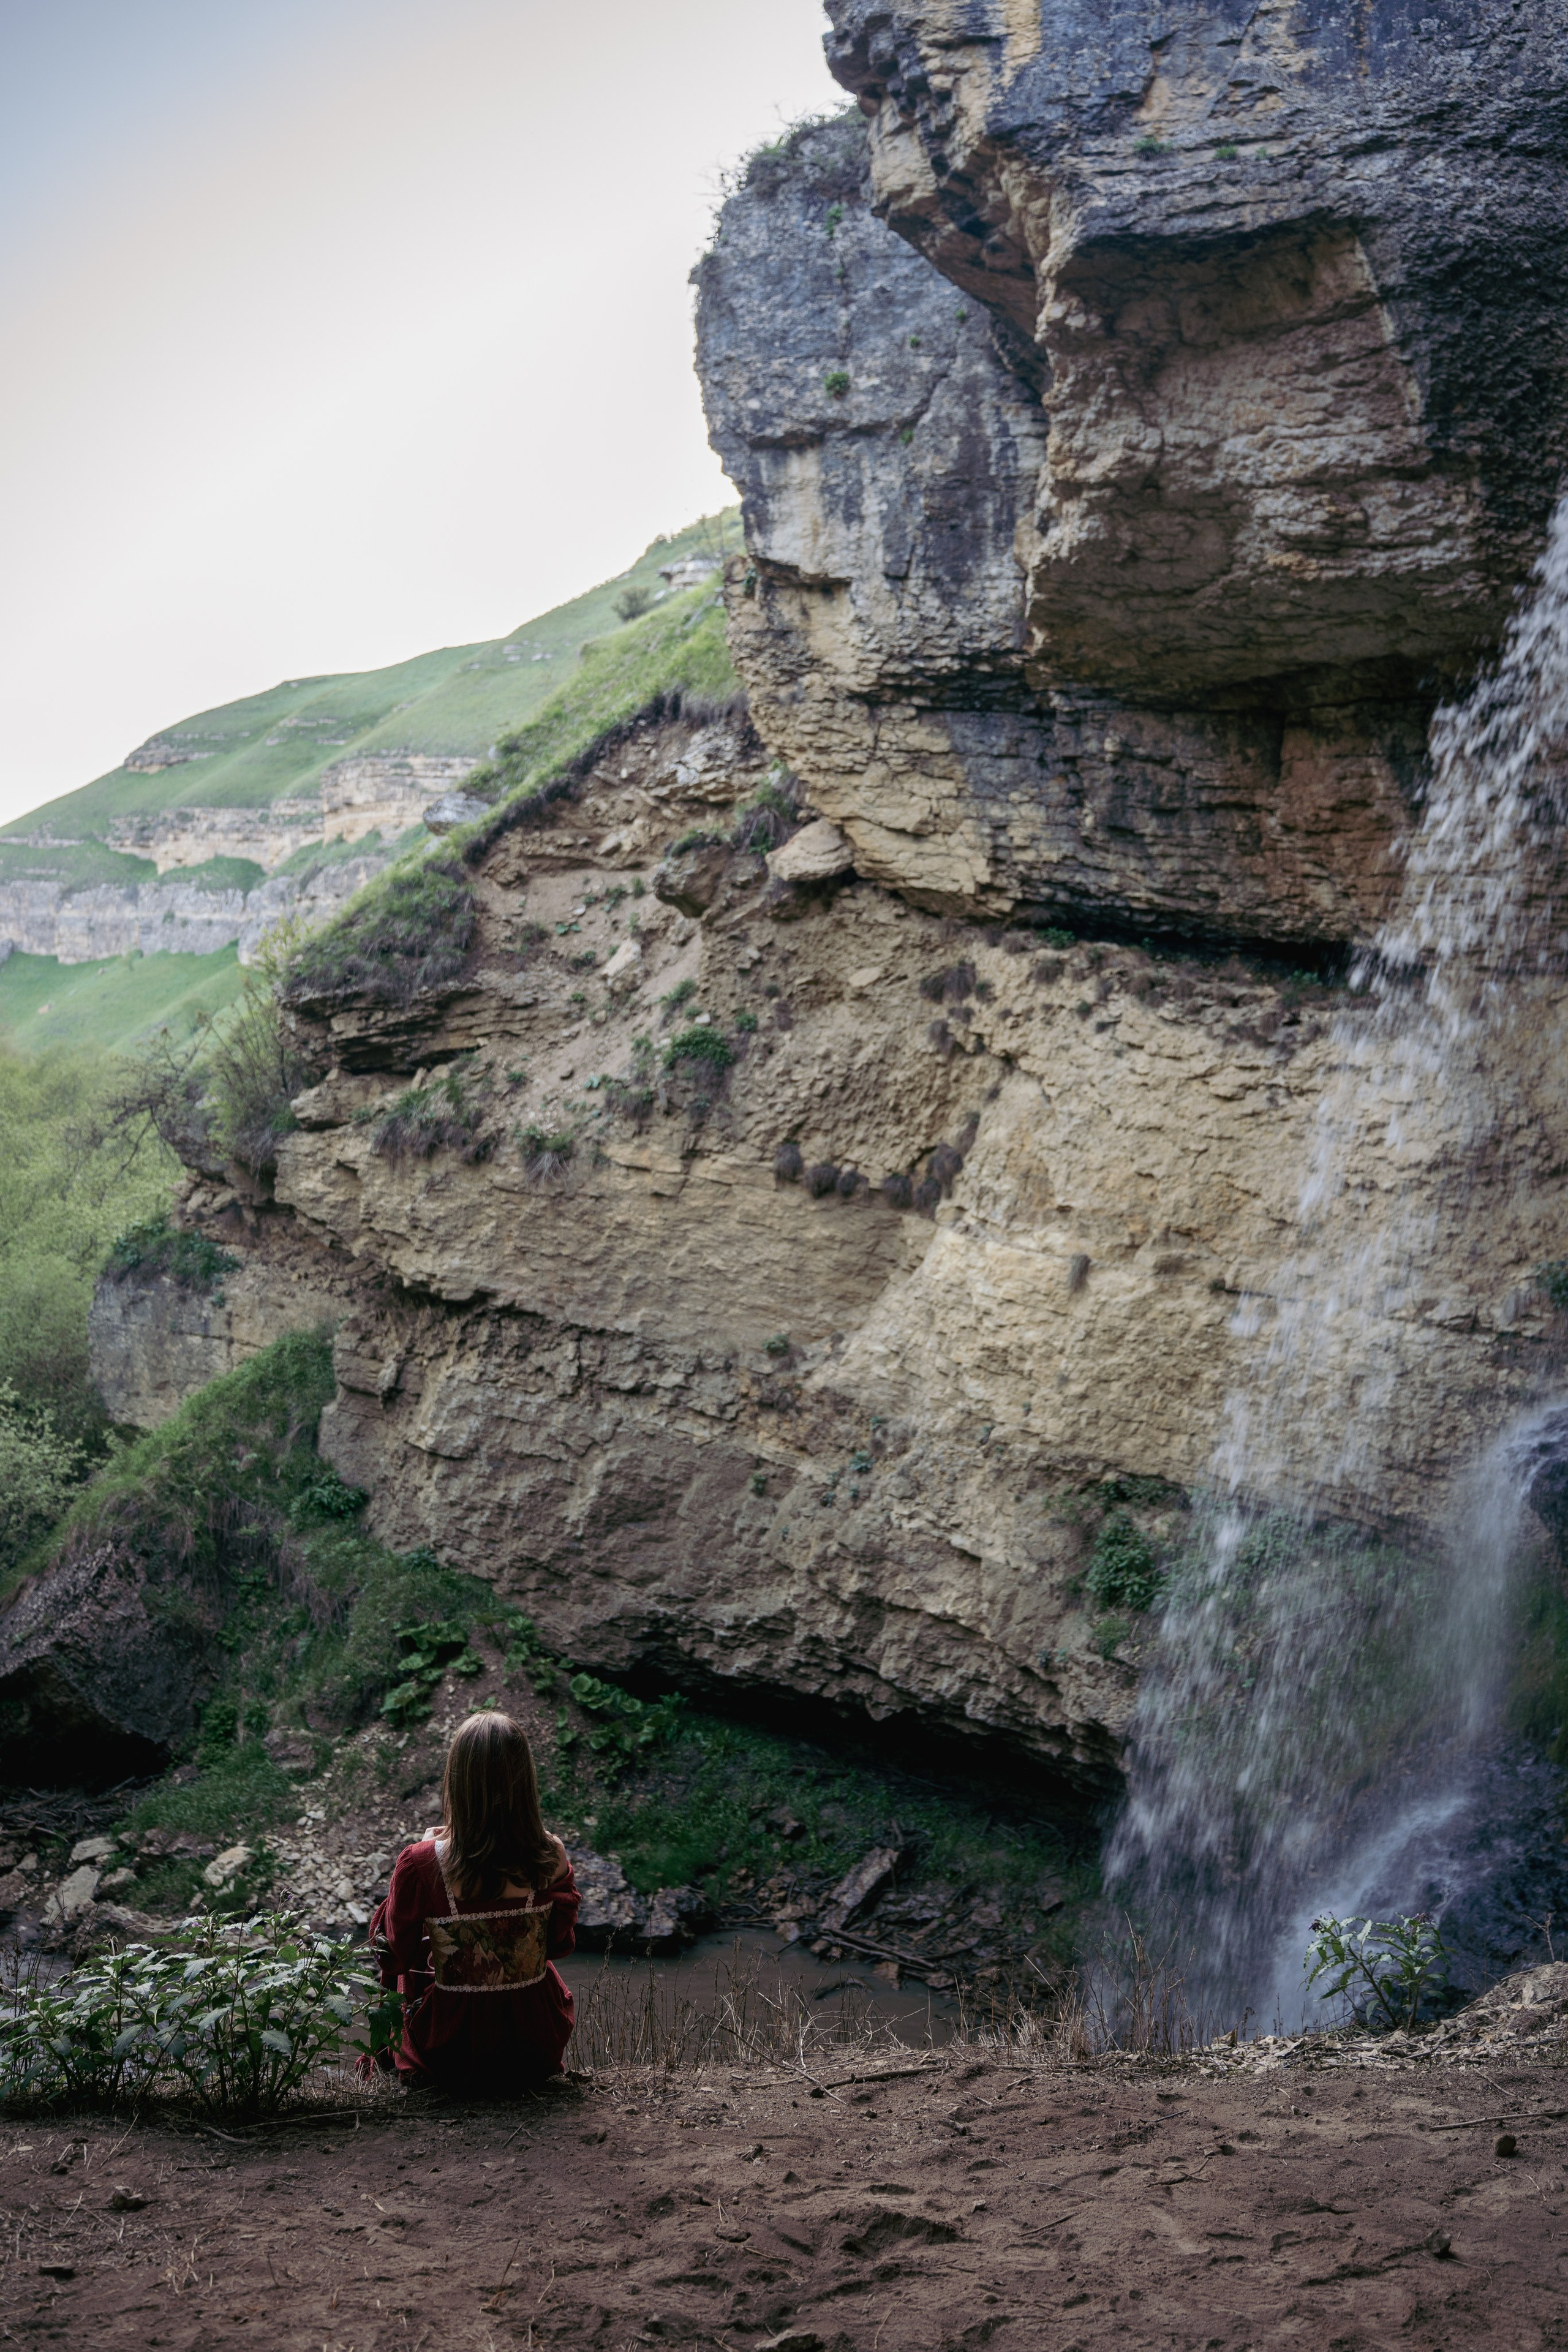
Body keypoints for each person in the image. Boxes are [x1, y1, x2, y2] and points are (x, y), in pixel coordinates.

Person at [368, 1710, 579, 2092]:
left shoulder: (421, 1861)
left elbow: (393, 1953)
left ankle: (391, 2055)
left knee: (410, 1965)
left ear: (457, 1781)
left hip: (452, 2048)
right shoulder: (552, 1854)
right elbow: (559, 1945)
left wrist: (424, 1853)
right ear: (524, 1780)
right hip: (535, 2045)